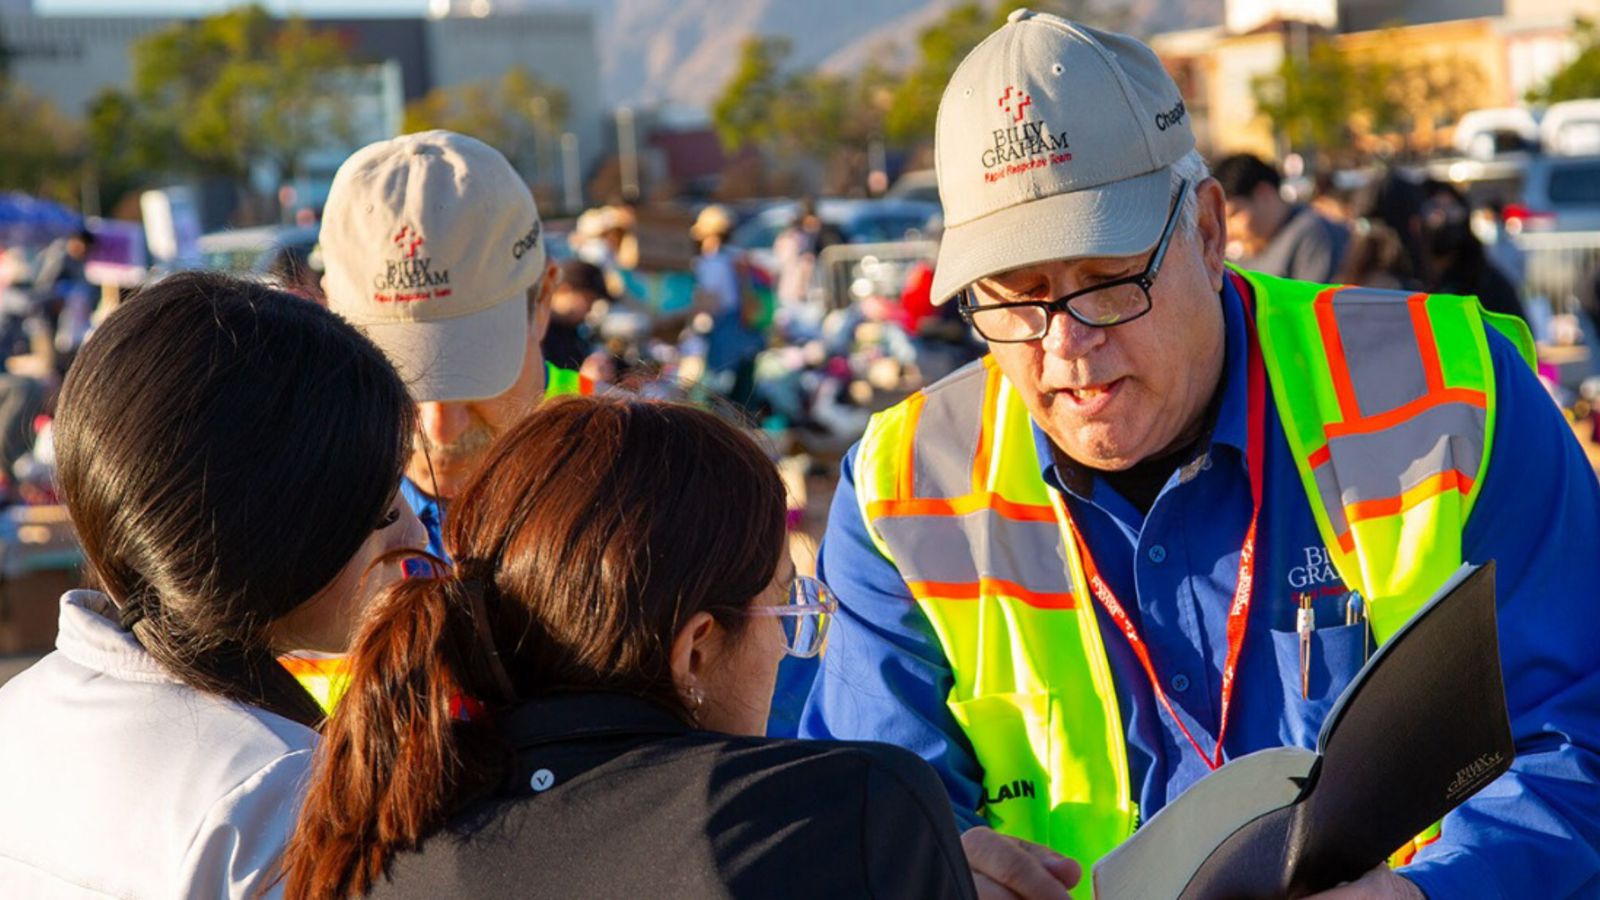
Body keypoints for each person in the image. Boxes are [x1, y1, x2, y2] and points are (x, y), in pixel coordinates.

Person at [793, 11, 1600, 900]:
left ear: (1210, 232)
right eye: (1014, 299)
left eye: (1106, 280)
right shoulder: (903, 493)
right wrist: (933, 873)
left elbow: (1576, 733)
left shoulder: (1452, 392)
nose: (1065, 344)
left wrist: (1430, 893)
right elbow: (861, 816)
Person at [280, 396, 978, 900]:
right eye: (782, 606)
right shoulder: (843, 813)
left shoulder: (379, 844)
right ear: (696, 649)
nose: (785, 641)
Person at [0, 271, 424, 898]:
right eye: (382, 507)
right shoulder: (274, 799)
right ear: (274, 532)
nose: (413, 534)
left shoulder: (23, 708)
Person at [1214, 152, 1348, 283]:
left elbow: (1311, 301)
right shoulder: (1245, 249)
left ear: (1264, 194)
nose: (1228, 230)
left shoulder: (1309, 232)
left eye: (1233, 215)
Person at [1419, 179, 1526, 322]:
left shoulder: (1488, 283)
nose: (1442, 218)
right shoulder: (1405, 281)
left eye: (1452, 210)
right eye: (1433, 209)